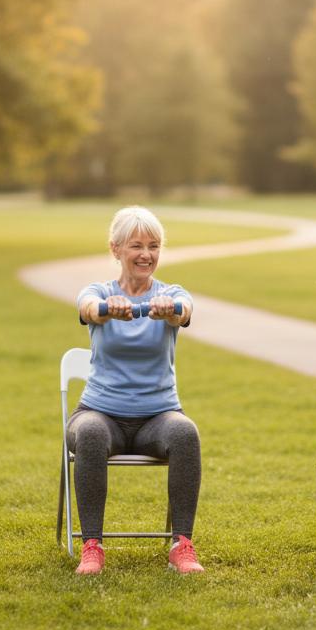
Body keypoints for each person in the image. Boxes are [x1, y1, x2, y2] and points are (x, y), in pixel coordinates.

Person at [70, 206, 204, 576]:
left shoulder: (171, 293)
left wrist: (172, 310)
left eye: (154, 246)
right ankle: (92, 546)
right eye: (136, 246)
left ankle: (182, 545)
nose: (146, 254)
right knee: (92, 433)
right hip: (100, 413)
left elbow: (185, 310)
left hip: (157, 418)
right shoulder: (99, 291)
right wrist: (106, 309)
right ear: (116, 249)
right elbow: (87, 308)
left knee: (185, 432)